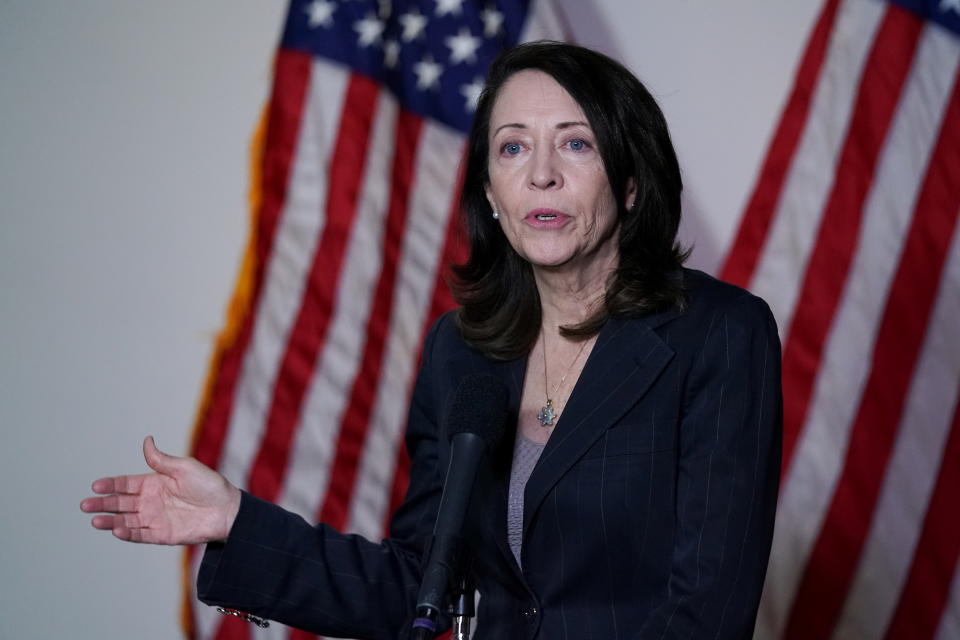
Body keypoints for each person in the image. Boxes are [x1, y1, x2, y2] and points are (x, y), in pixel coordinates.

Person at [81, 41, 782, 639]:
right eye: (513, 147)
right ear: (492, 191)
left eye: (576, 142)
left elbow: (707, 618)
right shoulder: (463, 348)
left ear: (629, 184)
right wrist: (236, 520)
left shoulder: (718, 335)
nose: (541, 172)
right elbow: (421, 578)